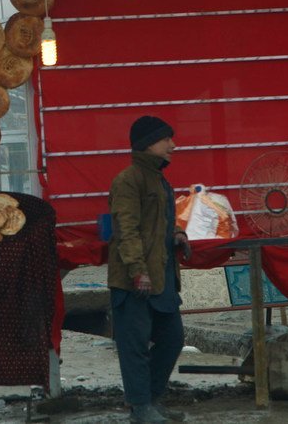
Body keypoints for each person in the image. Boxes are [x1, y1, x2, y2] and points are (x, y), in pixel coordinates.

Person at [107, 116, 192, 424]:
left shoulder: (158, 179)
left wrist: (177, 235)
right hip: (136, 280)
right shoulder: (129, 180)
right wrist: (136, 270)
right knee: (135, 346)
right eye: (166, 139)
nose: (173, 145)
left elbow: (159, 225)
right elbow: (125, 230)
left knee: (172, 339)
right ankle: (140, 408)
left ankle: (151, 401)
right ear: (148, 143)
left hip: (162, 277)